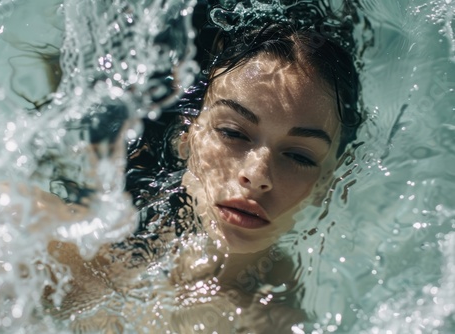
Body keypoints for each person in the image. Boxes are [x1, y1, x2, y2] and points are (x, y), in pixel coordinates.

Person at [28, 20, 362, 333]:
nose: (257, 176)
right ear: (186, 138)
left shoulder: (278, 321)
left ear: (329, 182)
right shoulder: (69, 247)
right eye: (233, 133)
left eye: (298, 156)